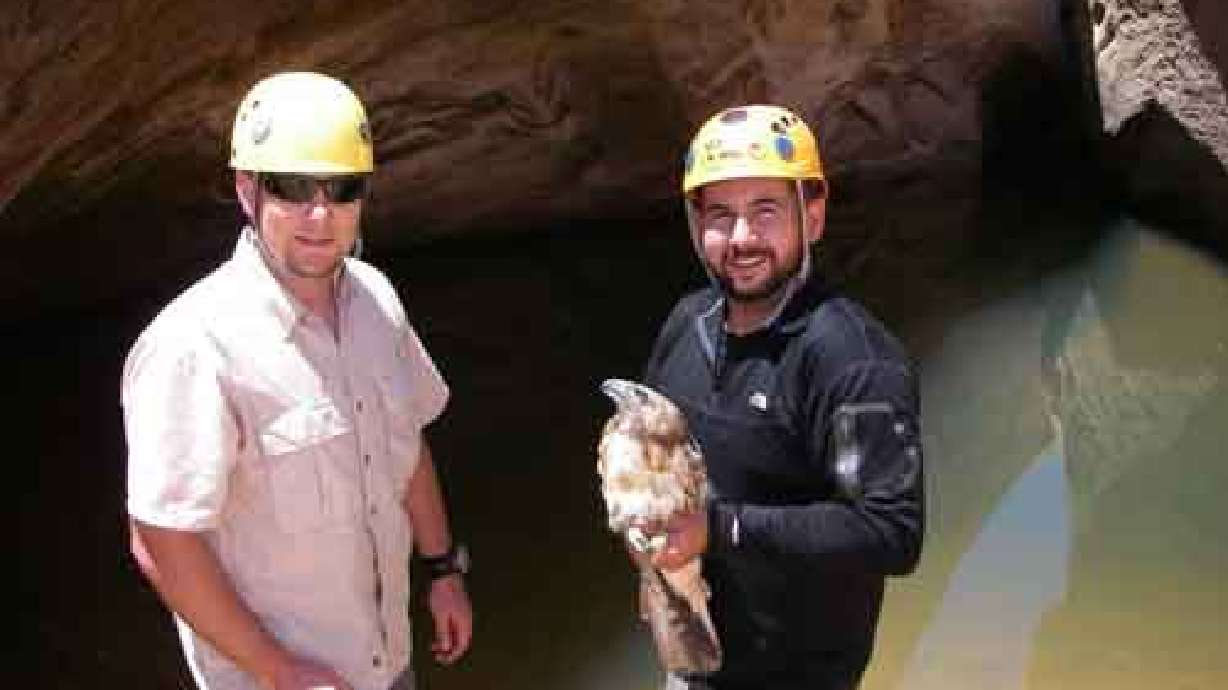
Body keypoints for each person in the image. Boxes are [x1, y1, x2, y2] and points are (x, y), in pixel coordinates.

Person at [121, 72, 472, 690]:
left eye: (341, 190)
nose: (320, 214)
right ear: (245, 189)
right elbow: (161, 539)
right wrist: (279, 671)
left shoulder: (377, 301)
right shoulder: (193, 347)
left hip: (386, 665)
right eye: (291, 188)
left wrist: (443, 569)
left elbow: (407, 445)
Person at [640, 105, 925, 689]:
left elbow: (891, 533)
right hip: (691, 661)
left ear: (812, 216)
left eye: (764, 211)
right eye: (720, 214)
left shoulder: (852, 360)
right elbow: (650, 445)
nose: (741, 239)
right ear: (696, 226)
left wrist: (721, 527)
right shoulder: (686, 323)